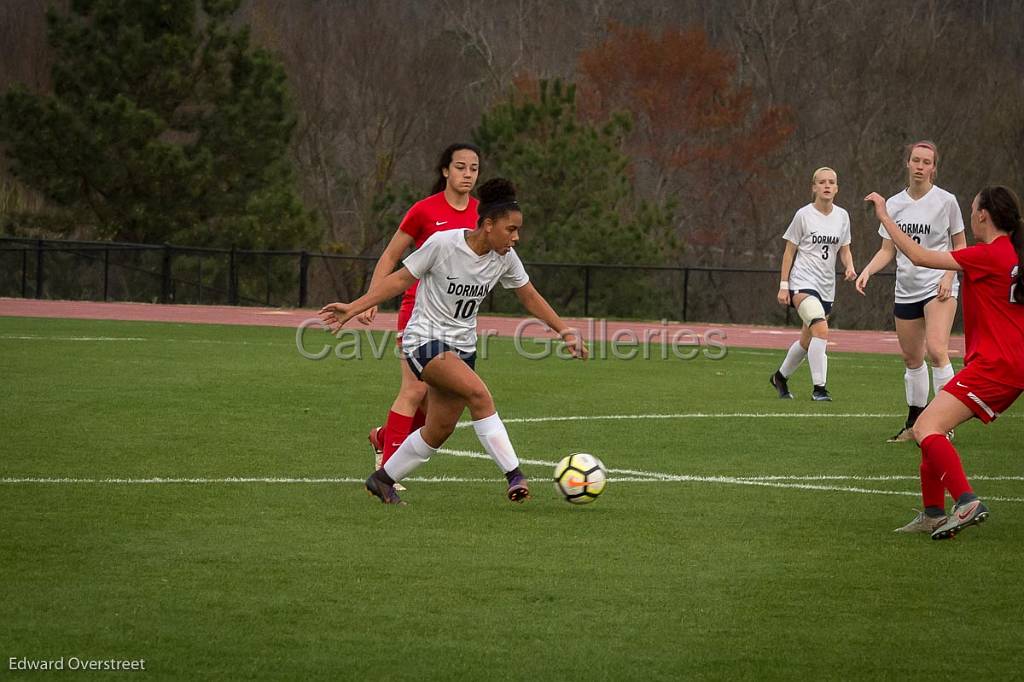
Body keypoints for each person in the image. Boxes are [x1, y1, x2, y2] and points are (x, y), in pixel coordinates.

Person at [320, 178, 588, 505]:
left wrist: (564, 331)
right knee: (479, 394)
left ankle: (383, 479)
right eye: (511, 229)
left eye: (518, 230)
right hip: (424, 340)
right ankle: (514, 475)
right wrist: (353, 307)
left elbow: (529, 296)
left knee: (439, 430)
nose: (516, 237)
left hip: (463, 348)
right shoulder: (442, 244)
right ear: (488, 225)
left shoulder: (504, 258)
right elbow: (401, 280)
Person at [866, 185, 1024, 539]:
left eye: (973, 209)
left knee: (925, 429)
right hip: (1008, 364)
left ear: (983, 215)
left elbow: (919, 256)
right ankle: (934, 514)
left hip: (995, 367)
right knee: (929, 424)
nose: (971, 215)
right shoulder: (1013, 255)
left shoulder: (990, 254)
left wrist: (885, 218)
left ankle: (966, 501)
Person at [359, 144, 481, 486]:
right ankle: (388, 471)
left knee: (435, 407)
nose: (467, 174)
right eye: (460, 167)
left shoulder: (481, 214)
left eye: (473, 168)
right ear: (445, 171)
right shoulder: (424, 212)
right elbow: (391, 255)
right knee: (413, 389)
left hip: (457, 321)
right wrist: (372, 296)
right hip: (418, 312)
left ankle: (385, 437)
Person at [855, 142, 967, 442]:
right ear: (907, 163)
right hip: (906, 289)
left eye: (926, 162)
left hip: (938, 286)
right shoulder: (893, 204)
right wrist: (867, 270)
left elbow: (960, 246)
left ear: (934, 168)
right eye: (915, 160)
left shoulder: (946, 201)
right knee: (912, 358)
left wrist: (949, 274)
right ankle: (913, 423)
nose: (919, 166)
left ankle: (945, 421)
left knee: (937, 350)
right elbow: (887, 250)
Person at [770, 167, 856, 401]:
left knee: (808, 340)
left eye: (831, 182)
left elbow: (845, 250)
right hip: (802, 282)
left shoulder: (842, 216)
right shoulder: (803, 215)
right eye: (822, 182)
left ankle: (780, 377)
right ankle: (819, 388)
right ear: (814, 187)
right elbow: (789, 251)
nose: (827, 186)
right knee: (821, 329)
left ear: (837, 188)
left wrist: (849, 266)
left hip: (827, 286)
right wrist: (784, 284)